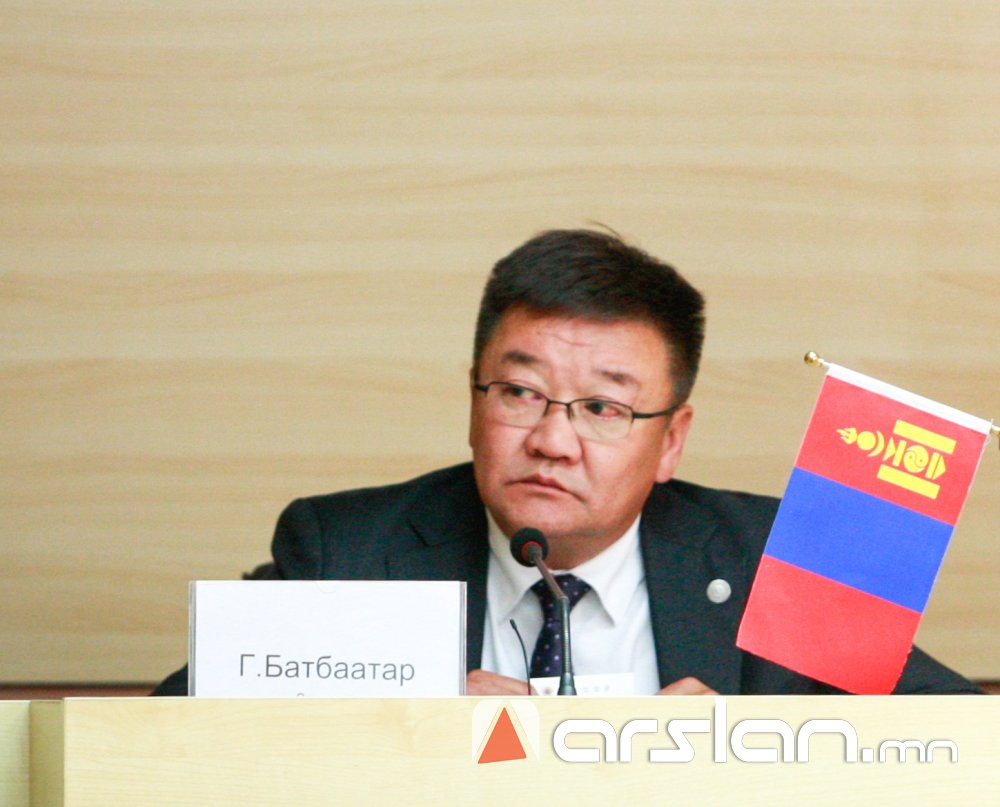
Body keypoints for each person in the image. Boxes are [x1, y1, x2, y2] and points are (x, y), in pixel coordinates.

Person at [153, 228, 979, 696]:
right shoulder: (347, 550)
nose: (552, 438)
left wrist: (750, 761)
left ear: (672, 439)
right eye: (519, 392)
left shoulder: (780, 561)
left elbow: (960, 747)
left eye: (604, 408)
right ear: (474, 401)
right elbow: (166, 736)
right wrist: (402, 725)